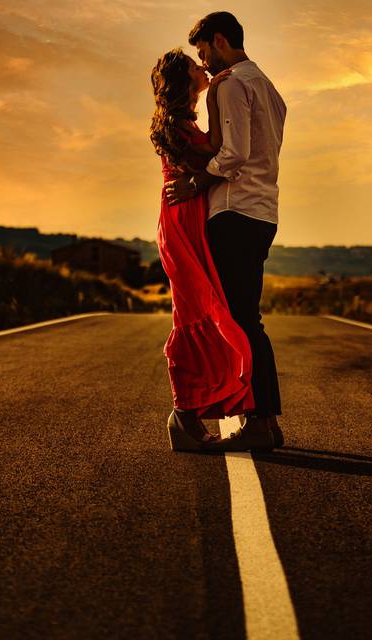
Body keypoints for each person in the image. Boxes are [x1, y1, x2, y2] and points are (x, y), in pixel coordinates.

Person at [165, 11, 287, 452]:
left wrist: (198, 181)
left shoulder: (233, 83)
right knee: (247, 318)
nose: (205, 63)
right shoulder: (271, 89)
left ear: (220, 41)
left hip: (235, 212)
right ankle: (265, 421)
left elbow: (233, 155)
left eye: (204, 52)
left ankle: (257, 422)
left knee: (240, 320)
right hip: (263, 212)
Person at [151, 47, 254, 451]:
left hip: (188, 213)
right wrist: (215, 95)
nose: (203, 68)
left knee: (197, 308)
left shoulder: (179, 120)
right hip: (181, 219)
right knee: (192, 312)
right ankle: (184, 416)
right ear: (185, 81)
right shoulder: (177, 123)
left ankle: (189, 414)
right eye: (196, 67)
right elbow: (216, 150)